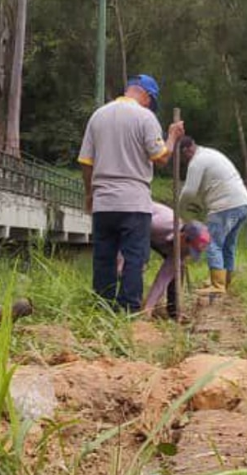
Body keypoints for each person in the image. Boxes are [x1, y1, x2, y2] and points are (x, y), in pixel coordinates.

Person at [78, 75, 184, 312]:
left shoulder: (98, 116)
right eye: (151, 102)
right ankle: (128, 310)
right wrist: (173, 138)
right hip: (134, 203)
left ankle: (103, 308)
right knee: (134, 258)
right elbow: (162, 157)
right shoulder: (145, 117)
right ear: (147, 96)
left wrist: (89, 195)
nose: (149, 107)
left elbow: (86, 162)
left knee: (104, 258)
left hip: (104, 202)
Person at [178, 136, 247, 293]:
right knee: (227, 244)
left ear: (187, 150)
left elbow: (190, 191)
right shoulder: (209, 154)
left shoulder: (197, 161)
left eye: (183, 156)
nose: (183, 160)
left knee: (212, 243)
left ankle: (217, 286)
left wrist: (178, 209)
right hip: (242, 203)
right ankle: (225, 281)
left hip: (226, 205)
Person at [141, 201, 210, 319]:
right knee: (137, 261)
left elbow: (163, 278)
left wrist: (148, 307)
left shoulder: (181, 251)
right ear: (183, 237)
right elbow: (132, 232)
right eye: (189, 249)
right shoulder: (160, 223)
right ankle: (127, 303)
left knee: (178, 269)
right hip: (135, 221)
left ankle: (173, 311)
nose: (188, 254)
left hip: (159, 240)